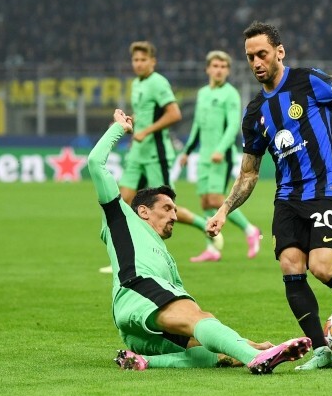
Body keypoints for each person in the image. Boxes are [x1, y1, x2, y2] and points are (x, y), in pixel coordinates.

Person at [206, 21, 332, 370]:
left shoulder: (310, 81)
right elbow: (249, 172)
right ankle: (321, 352)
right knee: (291, 268)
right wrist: (223, 210)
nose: (256, 62)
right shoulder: (254, 113)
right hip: (287, 199)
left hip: (328, 190)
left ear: (279, 52)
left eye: (262, 54)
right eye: (250, 57)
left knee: (323, 268)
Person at [88, 109, 311, 373]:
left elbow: (189, 309)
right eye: (167, 208)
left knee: (206, 346)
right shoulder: (120, 216)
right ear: (144, 211)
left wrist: (243, 343)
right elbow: (95, 163)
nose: (174, 215)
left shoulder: (164, 255)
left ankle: (144, 361)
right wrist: (119, 128)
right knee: (201, 319)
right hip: (138, 290)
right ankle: (255, 358)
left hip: (135, 325)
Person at [100, 41, 221, 273]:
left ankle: (206, 227)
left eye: (143, 60)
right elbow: (145, 113)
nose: (138, 64)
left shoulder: (158, 82)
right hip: (137, 155)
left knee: (166, 207)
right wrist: (129, 122)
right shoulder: (136, 84)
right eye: (135, 60)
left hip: (156, 155)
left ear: (152, 62)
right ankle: (123, 257)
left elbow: (174, 113)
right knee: (122, 203)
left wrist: (146, 131)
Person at [180, 50, 262, 262]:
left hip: (220, 155)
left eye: (223, 67)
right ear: (208, 69)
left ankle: (250, 230)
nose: (219, 70)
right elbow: (197, 125)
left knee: (217, 199)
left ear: (227, 71)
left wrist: (220, 149)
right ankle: (212, 248)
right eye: (215, 66)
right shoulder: (203, 93)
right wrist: (188, 151)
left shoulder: (230, 94)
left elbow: (233, 125)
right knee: (206, 202)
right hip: (204, 155)